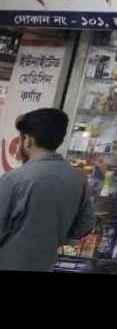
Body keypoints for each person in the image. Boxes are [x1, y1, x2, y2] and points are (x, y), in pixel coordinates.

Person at [0, 108, 95, 272]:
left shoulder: (14, 179)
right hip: (46, 264)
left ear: (28, 140)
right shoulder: (78, 179)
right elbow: (84, 226)